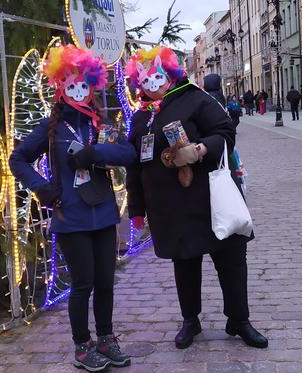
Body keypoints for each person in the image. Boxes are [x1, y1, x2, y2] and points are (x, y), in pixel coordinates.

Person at [125, 46, 268, 351]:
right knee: (185, 264)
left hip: (211, 199)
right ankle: (191, 320)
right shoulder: (141, 119)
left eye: (158, 78)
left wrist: (201, 148)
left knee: (230, 259)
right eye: (146, 81)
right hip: (171, 208)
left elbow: (225, 132)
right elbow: (135, 166)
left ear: (170, 74)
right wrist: (136, 209)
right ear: (138, 83)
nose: (153, 86)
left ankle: (239, 320)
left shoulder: (194, 98)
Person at [9, 45, 136, 372]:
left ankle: (106, 338)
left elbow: (127, 154)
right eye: (70, 84)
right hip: (72, 218)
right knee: (83, 284)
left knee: (106, 281)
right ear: (60, 86)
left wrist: (95, 153)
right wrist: (42, 189)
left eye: (83, 84)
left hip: (104, 213)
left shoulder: (99, 123)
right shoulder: (50, 126)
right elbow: (18, 159)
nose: (78, 90)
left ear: (92, 85)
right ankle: (83, 347)